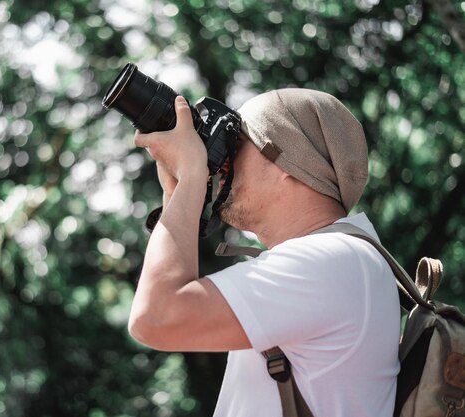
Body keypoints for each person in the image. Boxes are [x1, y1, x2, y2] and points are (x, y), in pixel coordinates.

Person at [128, 89, 401, 416]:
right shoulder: (343, 262)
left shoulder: (334, 260)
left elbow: (156, 317)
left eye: (237, 142)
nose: (222, 162)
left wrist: (190, 179)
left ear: (288, 161)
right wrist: (178, 191)